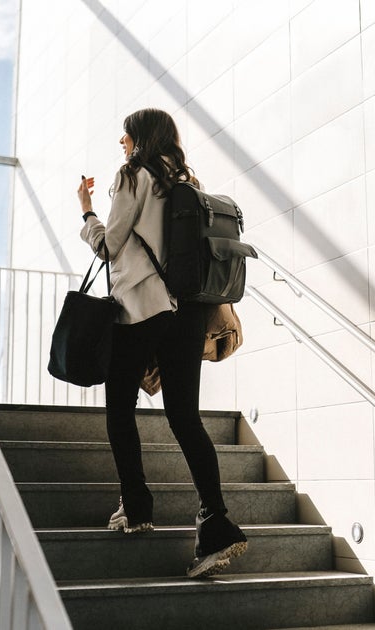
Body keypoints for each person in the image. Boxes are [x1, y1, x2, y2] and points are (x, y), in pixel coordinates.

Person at [75, 108, 248, 579]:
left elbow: (109, 245)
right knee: (184, 416)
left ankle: (136, 506)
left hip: (144, 309)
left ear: (140, 139)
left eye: (126, 134)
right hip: (187, 313)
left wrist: (87, 211)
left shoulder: (134, 176)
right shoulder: (182, 181)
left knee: (118, 407)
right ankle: (215, 521)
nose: (121, 141)